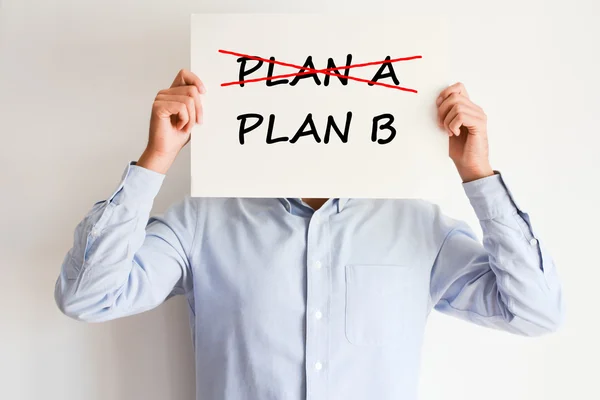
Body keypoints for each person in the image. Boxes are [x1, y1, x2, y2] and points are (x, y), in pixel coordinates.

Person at [54, 69, 563, 400]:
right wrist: (156, 160)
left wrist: (480, 176)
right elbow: (87, 297)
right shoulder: (201, 222)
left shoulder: (419, 227)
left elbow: (535, 311)